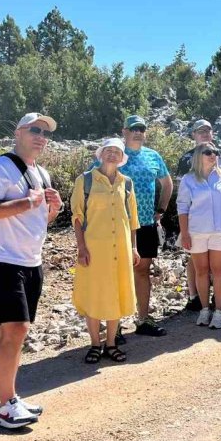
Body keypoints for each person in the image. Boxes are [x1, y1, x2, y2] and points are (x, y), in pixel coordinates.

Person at [0, 113, 62, 429]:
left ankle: (4, 398)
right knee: (16, 328)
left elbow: (40, 219)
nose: (40, 136)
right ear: (18, 132)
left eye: (45, 133)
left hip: (29, 260)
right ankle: (3, 403)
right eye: (34, 130)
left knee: (12, 331)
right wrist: (26, 203)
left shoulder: (42, 173)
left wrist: (53, 209)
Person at [71, 138, 139, 365]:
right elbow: (77, 217)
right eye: (108, 151)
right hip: (94, 249)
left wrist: (134, 247)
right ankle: (94, 344)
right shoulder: (86, 180)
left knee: (116, 293)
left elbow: (132, 220)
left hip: (120, 248)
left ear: (122, 158)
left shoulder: (126, 183)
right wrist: (81, 247)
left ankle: (111, 343)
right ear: (101, 154)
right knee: (94, 294)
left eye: (116, 152)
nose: (112, 155)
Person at [114, 115, 172, 339]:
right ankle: (114, 325)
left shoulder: (153, 156)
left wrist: (162, 210)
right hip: (118, 224)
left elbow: (167, 183)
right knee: (118, 273)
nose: (138, 132)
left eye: (142, 129)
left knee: (142, 270)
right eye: (133, 128)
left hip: (146, 223)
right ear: (124, 131)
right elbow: (92, 178)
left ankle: (143, 319)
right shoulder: (115, 154)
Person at [177, 143, 221, 330]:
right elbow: (182, 208)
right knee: (202, 271)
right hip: (196, 231)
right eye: (208, 152)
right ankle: (205, 309)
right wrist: (185, 233)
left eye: (215, 152)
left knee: (219, 271)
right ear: (198, 156)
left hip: (220, 230)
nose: (213, 155)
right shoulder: (188, 179)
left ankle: (219, 311)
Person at [177, 119, 221, 314]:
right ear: (193, 135)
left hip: (218, 220)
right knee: (195, 260)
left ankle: (218, 297)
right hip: (194, 218)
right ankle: (194, 296)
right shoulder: (186, 158)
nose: (205, 134)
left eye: (208, 130)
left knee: (218, 263)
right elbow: (182, 194)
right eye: (200, 131)